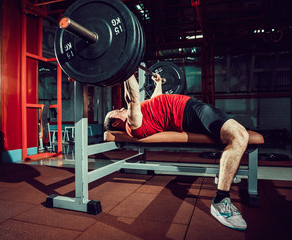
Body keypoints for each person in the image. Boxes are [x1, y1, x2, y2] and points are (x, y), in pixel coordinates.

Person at [104, 73, 249, 231]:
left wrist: (158, 84)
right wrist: (127, 68)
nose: (120, 108)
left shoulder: (142, 115)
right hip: (190, 113)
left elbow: (155, 101)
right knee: (239, 136)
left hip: (192, 107)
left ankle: (224, 175)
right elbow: (132, 97)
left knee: (235, 133)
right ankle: (221, 201)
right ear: (116, 121)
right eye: (116, 111)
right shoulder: (132, 124)